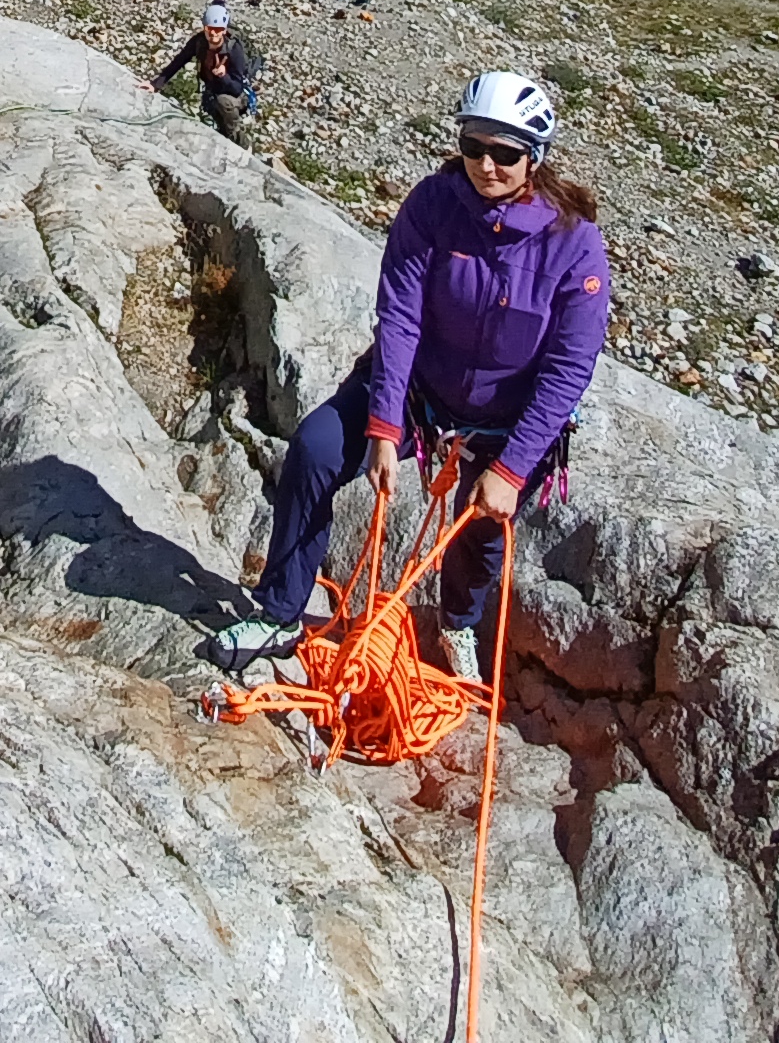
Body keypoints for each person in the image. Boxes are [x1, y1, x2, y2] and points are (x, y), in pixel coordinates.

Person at [212, 69, 608, 683]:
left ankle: (457, 623)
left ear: (534, 156)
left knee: (482, 530)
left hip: (506, 417)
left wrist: (511, 469)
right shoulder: (433, 205)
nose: (486, 166)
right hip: (421, 391)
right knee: (316, 450)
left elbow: (569, 365)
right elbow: (400, 317)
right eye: (473, 146)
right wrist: (383, 426)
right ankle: (280, 613)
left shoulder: (574, 243)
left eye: (505, 154)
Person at [157, 0, 258, 144]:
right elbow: (178, 62)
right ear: (205, 28)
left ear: (224, 30)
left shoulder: (234, 49)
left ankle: (239, 140)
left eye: (218, 29)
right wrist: (155, 84)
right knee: (217, 114)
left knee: (223, 102)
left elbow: (237, 88)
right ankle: (225, 135)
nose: (213, 33)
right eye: (210, 28)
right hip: (212, 92)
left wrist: (224, 76)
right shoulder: (199, 42)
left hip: (236, 96)